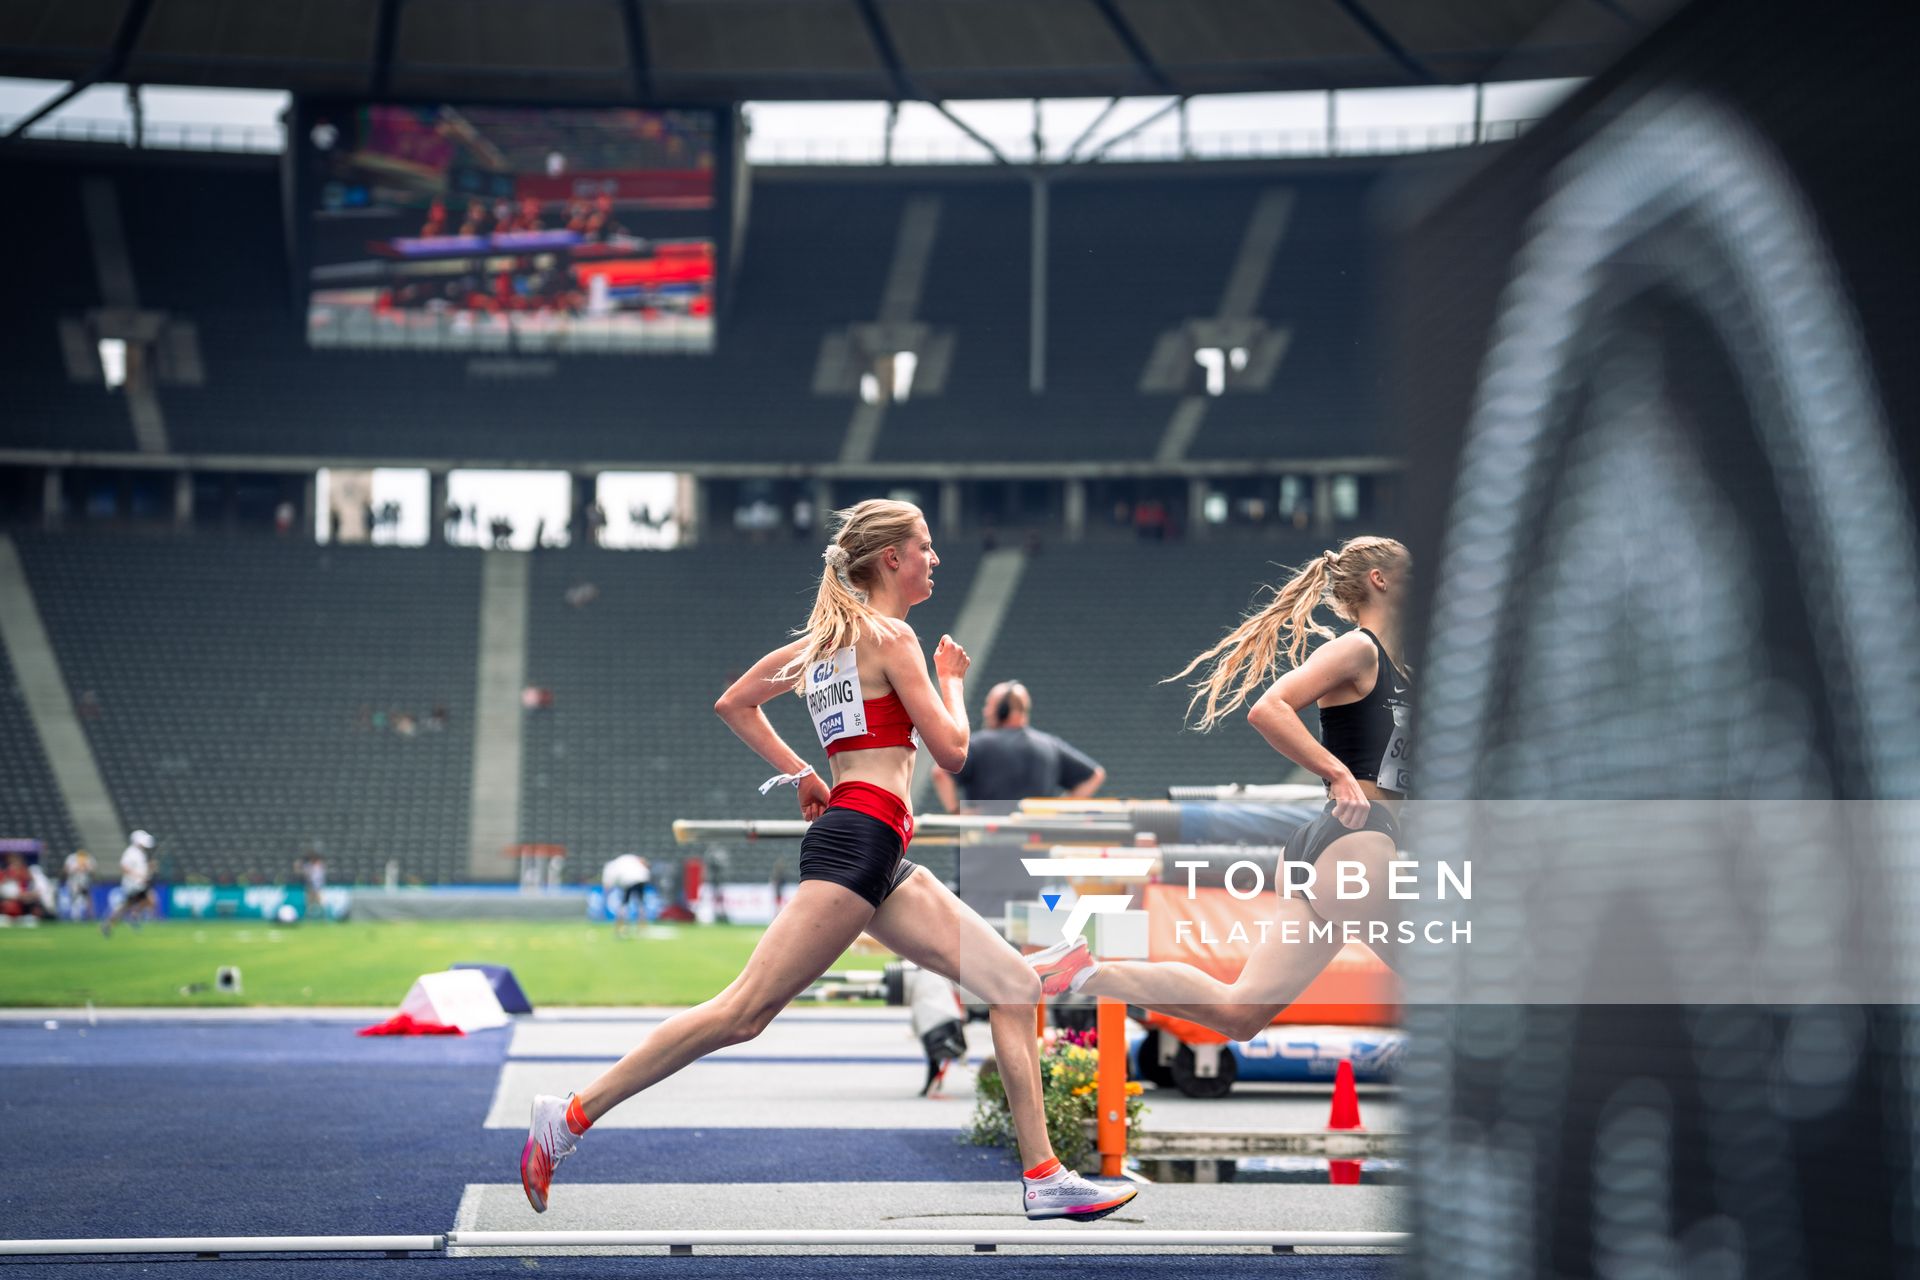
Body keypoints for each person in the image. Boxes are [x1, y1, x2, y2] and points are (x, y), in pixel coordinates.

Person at [519, 500, 1137, 1224]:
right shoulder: (893, 637)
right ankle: (567, 1117)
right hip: (860, 842)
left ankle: (1043, 1176)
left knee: (1011, 984)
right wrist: (955, 683)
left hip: (876, 845)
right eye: (925, 547)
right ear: (891, 560)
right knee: (742, 1014)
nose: (935, 559)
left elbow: (735, 702)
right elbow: (956, 753)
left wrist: (804, 776)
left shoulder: (825, 643)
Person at [1029, 537, 1414, 1041]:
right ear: (1379, 580)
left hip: (1332, 849)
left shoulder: (1402, 669)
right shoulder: (1359, 648)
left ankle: (1083, 970)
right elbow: (1269, 708)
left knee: (1240, 1013)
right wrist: (1337, 774)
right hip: (1358, 842)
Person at [932, 681, 1106, 814]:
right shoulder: (1050, 746)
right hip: (1035, 851)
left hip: (982, 852)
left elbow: (940, 773)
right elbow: (1095, 775)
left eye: (989, 706)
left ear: (1003, 710)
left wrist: (956, 812)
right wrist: (1056, 812)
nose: (985, 712)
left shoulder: (978, 744)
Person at [102, 830, 157, 937]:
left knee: (129, 906)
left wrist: (149, 868)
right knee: (147, 900)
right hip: (133, 885)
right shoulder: (131, 852)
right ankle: (132, 917)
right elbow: (124, 867)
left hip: (139, 884)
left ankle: (111, 924)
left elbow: (140, 869)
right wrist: (138, 876)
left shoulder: (140, 853)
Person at [600, 854, 653, 938]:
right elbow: (643, 861)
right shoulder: (628, 858)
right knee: (640, 903)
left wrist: (606, 890)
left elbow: (607, 884)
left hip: (629, 880)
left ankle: (620, 926)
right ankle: (642, 927)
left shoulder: (613, 865)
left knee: (624, 904)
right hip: (642, 878)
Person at [62, 849, 95, 921]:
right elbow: (65, 870)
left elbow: (93, 871)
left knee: (87, 899)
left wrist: (86, 868)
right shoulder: (71, 858)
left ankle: (89, 915)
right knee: (75, 898)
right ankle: (75, 916)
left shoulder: (88, 858)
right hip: (73, 881)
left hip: (84, 882)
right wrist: (74, 869)